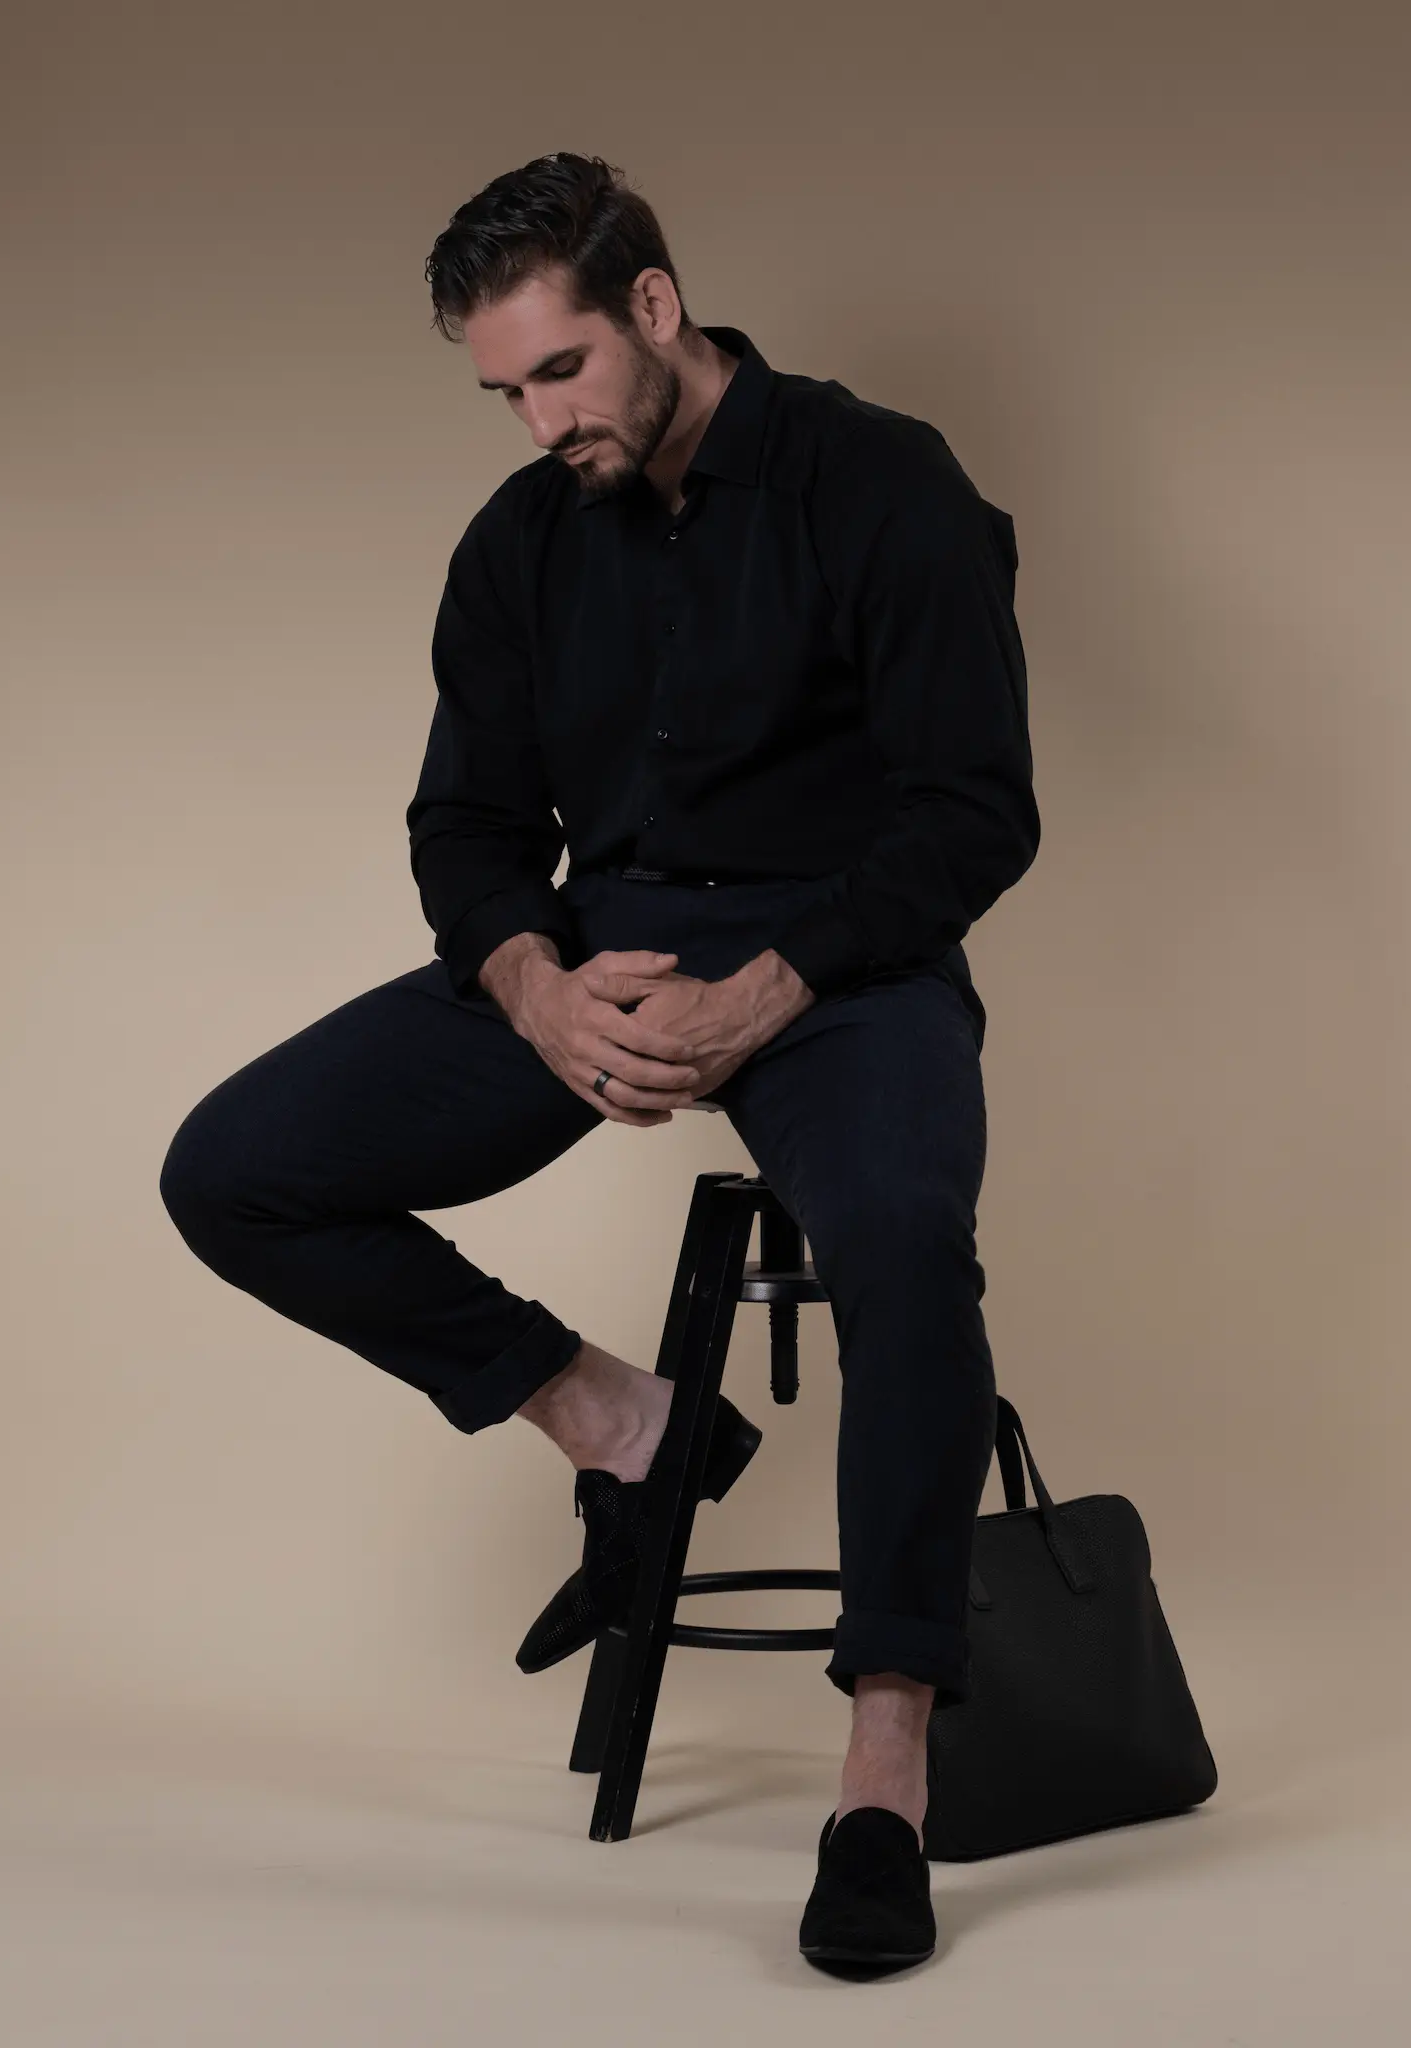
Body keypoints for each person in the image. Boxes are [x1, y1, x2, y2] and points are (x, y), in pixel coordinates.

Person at [158, 148, 1040, 1974]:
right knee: (231, 1170)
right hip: (603, 957)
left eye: (559, 371)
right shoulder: (522, 540)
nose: (540, 419)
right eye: (503, 391)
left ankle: (885, 1773)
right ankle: (632, 1430)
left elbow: (974, 812)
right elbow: (467, 828)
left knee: (901, 1242)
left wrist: (773, 988)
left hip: (847, 962)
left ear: (656, 305)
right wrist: (533, 985)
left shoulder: (884, 482)